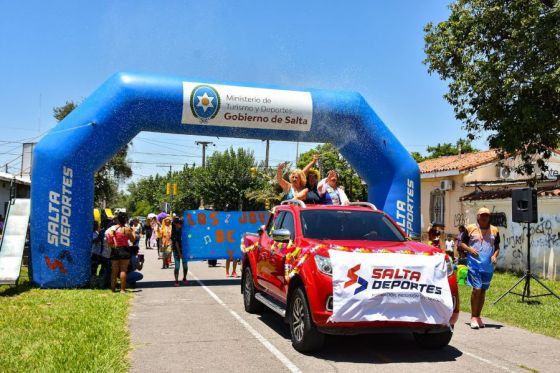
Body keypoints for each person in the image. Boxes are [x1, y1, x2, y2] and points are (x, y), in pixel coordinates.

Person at [460, 207, 500, 329]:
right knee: (476, 289)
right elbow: (462, 243)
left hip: (487, 266)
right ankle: (473, 317)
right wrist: (470, 249)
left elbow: (497, 247)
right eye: (482, 215)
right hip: (474, 264)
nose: (484, 217)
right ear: (478, 216)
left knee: (482, 291)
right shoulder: (470, 228)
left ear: (489, 217)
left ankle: (478, 316)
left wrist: (494, 255)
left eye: (486, 215)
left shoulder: (495, 230)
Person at [108, 212, 136, 293]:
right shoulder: (127, 229)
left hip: (115, 250)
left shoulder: (113, 228)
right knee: (123, 270)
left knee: (114, 271)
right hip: (124, 250)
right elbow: (132, 240)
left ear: (118, 219)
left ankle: (113, 289)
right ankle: (122, 290)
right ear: (126, 220)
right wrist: (133, 231)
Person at [172, 219, 188, 286]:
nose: (180, 225)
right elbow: (176, 244)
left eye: (181, 224)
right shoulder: (174, 232)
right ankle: (176, 280)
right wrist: (180, 254)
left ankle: (184, 278)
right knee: (177, 266)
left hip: (184, 251)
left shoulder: (184, 231)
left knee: (185, 266)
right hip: (176, 251)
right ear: (175, 224)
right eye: (179, 223)